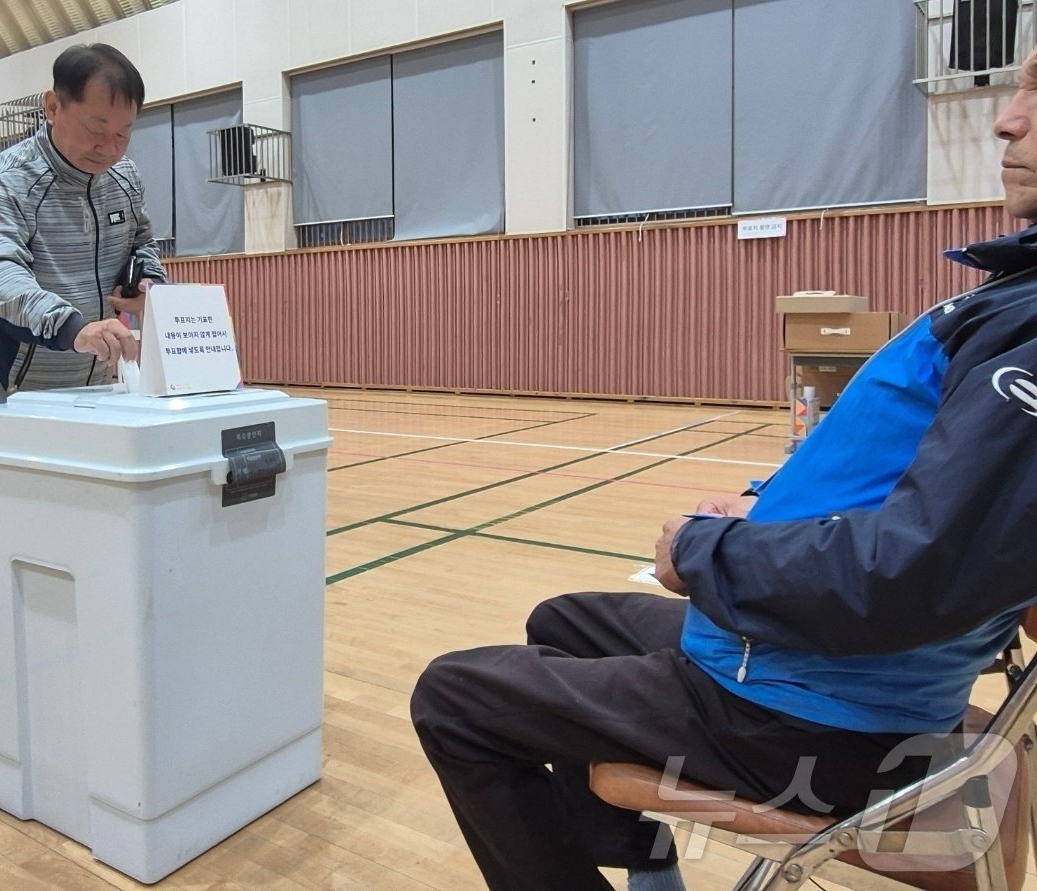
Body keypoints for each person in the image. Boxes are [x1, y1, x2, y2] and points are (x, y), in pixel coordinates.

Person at [410, 47, 1037, 891]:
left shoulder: (1025, 327)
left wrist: (703, 550)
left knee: (453, 696)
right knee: (562, 618)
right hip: (805, 666)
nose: (1006, 117)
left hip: (809, 719)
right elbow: (923, 495)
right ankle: (645, 864)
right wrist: (762, 505)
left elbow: (912, 568)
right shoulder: (1011, 304)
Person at [0, 43, 167, 406]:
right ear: (53, 107)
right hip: (12, 378)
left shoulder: (125, 176)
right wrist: (73, 328)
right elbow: (0, 273)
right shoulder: (5, 181)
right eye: (96, 128)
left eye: (123, 133)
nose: (109, 148)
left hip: (95, 372)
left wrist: (147, 282)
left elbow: (142, 242)